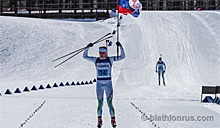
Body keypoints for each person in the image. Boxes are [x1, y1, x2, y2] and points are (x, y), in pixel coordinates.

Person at [83, 42, 125, 128]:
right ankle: (99, 120)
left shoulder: (110, 59)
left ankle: (113, 120)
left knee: (110, 104)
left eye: (103, 53)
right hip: (99, 85)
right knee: (100, 103)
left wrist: (120, 47)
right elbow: (85, 56)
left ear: (106, 53)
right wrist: (87, 47)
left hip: (108, 84)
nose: (101, 55)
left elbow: (122, 56)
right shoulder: (96, 60)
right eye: (100, 53)